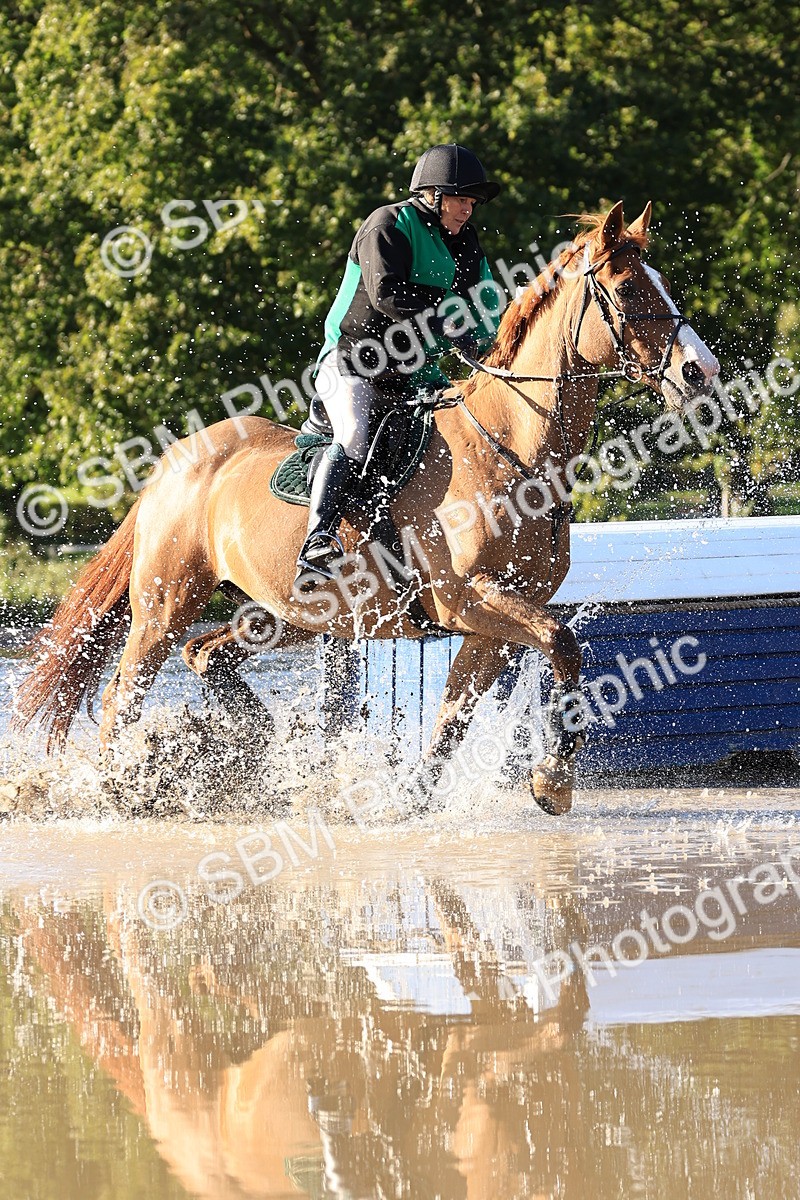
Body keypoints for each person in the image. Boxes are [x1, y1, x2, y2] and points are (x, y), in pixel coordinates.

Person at [295, 143, 503, 593]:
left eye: (471, 202)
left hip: (414, 371)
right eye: (460, 199)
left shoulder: (463, 240)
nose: (467, 209)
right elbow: (388, 294)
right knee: (354, 438)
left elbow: (484, 300)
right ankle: (317, 542)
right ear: (431, 195)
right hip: (354, 363)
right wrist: (451, 316)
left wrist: (498, 343)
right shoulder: (387, 224)